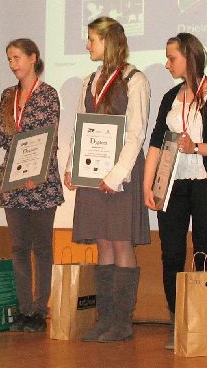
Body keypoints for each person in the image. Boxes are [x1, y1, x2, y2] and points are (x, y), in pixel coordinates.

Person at [143, 33, 207, 350]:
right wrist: (147, 185)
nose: (167, 63)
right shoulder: (170, 97)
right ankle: (178, 321)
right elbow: (156, 143)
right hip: (171, 185)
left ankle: (205, 320)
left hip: (206, 183)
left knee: (205, 249)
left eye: (172, 57)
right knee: (171, 253)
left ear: (189, 56)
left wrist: (196, 147)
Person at [63, 17, 150, 343]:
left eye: (92, 39)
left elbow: (136, 132)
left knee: (120, 241)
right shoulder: (89, 80)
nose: (87, 45)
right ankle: (105, 320)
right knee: (102, 242)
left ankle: (122, 323)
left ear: (109, 41)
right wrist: (72, 167)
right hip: (92, 173)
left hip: (121, 175)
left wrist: (116, 175)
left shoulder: (135, 79)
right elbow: (80, 127)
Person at [0, 39, 64, 333]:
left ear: (33, 58)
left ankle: (39, 311)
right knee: (18, 247)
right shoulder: (8, 95)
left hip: (41, 182)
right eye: (9, 59)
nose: (12, 64)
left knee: (41, 247)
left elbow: (49, 137)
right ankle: (24, 309)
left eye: (17, 57)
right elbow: (1, 134)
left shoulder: (48, 94)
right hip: (13, 181)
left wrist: (36, 172)